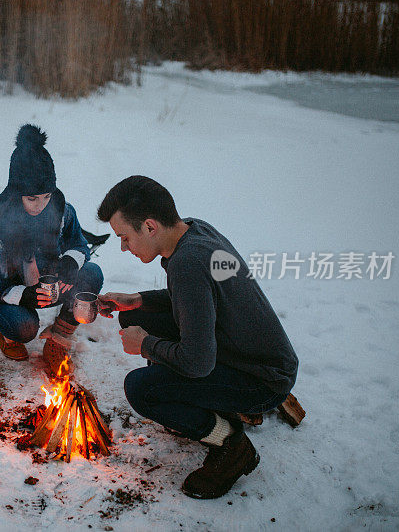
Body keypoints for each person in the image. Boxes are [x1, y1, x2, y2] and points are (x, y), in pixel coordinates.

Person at [96, 175, 298, 500]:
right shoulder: (194, 231)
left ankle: (231, 445)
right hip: (255, 353)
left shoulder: (187, 264)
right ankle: (197, 403)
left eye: (124, 237)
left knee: (143, 388)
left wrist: (144, 344)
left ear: (150, 227)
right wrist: (137, 300)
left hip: (261, 380)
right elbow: (198, 295)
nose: (123, 247)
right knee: (136, 314)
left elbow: (197, 362)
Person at [0, 124, 103, 374]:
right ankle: (3, 329)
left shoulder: (63, 211)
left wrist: (71, 263)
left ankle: (58, 338)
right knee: (24, 327)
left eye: (47, 197)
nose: (41, 205)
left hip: (47, 285)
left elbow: (80, 246)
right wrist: (21, 295)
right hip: (6, 292)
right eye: (32, 198)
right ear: (16, 193)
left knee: (92, 273)